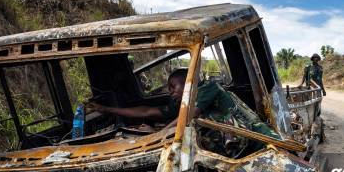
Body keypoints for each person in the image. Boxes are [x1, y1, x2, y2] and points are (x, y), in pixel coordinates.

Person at [90, 69, 280, 144]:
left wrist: (157, 134)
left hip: (260, 137)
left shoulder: (208, 88)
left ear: (189, 83)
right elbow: (146, 111)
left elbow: (188, 116)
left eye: (173, 87)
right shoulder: (180, 104)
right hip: (242, 142)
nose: (171, 92)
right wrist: (108, 110)